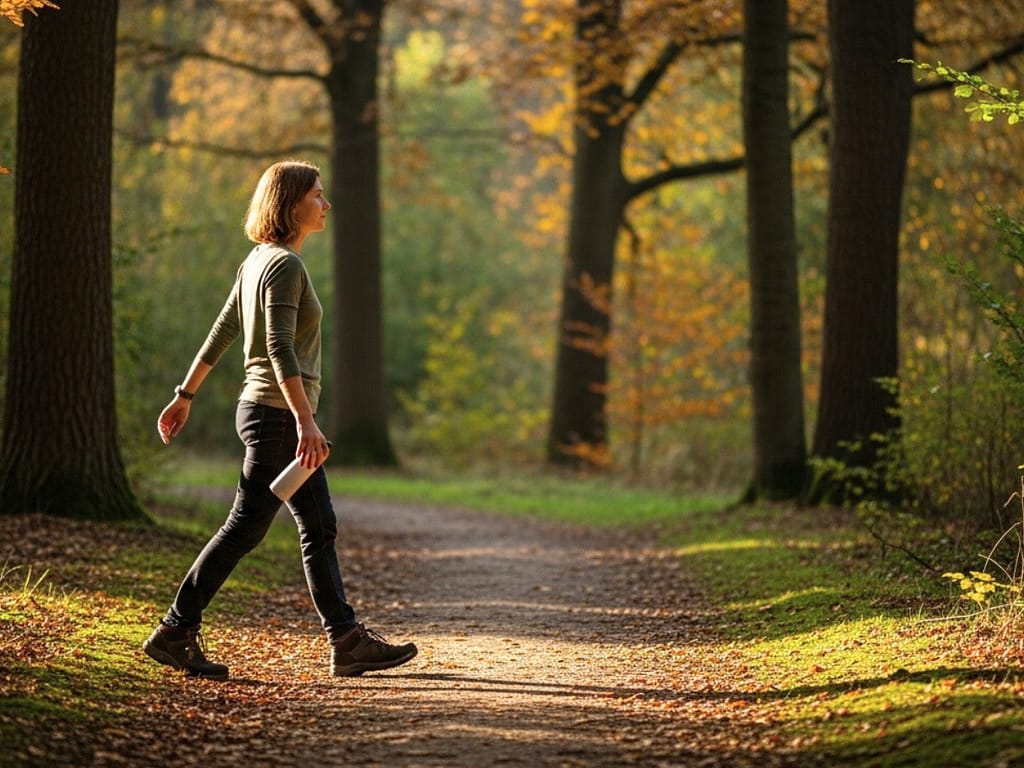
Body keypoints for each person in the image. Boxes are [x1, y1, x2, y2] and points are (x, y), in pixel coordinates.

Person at [143, 160, 417, 680]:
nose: (326, 204)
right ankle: (176, 629)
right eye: (317, 195)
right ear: (291, 204)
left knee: (315, 526)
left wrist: (185, 394)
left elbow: (223, 331)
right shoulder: (285, 265)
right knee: (248, 528)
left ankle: (346, 640)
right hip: (278, 416)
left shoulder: (257, 261)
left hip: (266, 411)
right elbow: (277, 346)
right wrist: (305, 421)